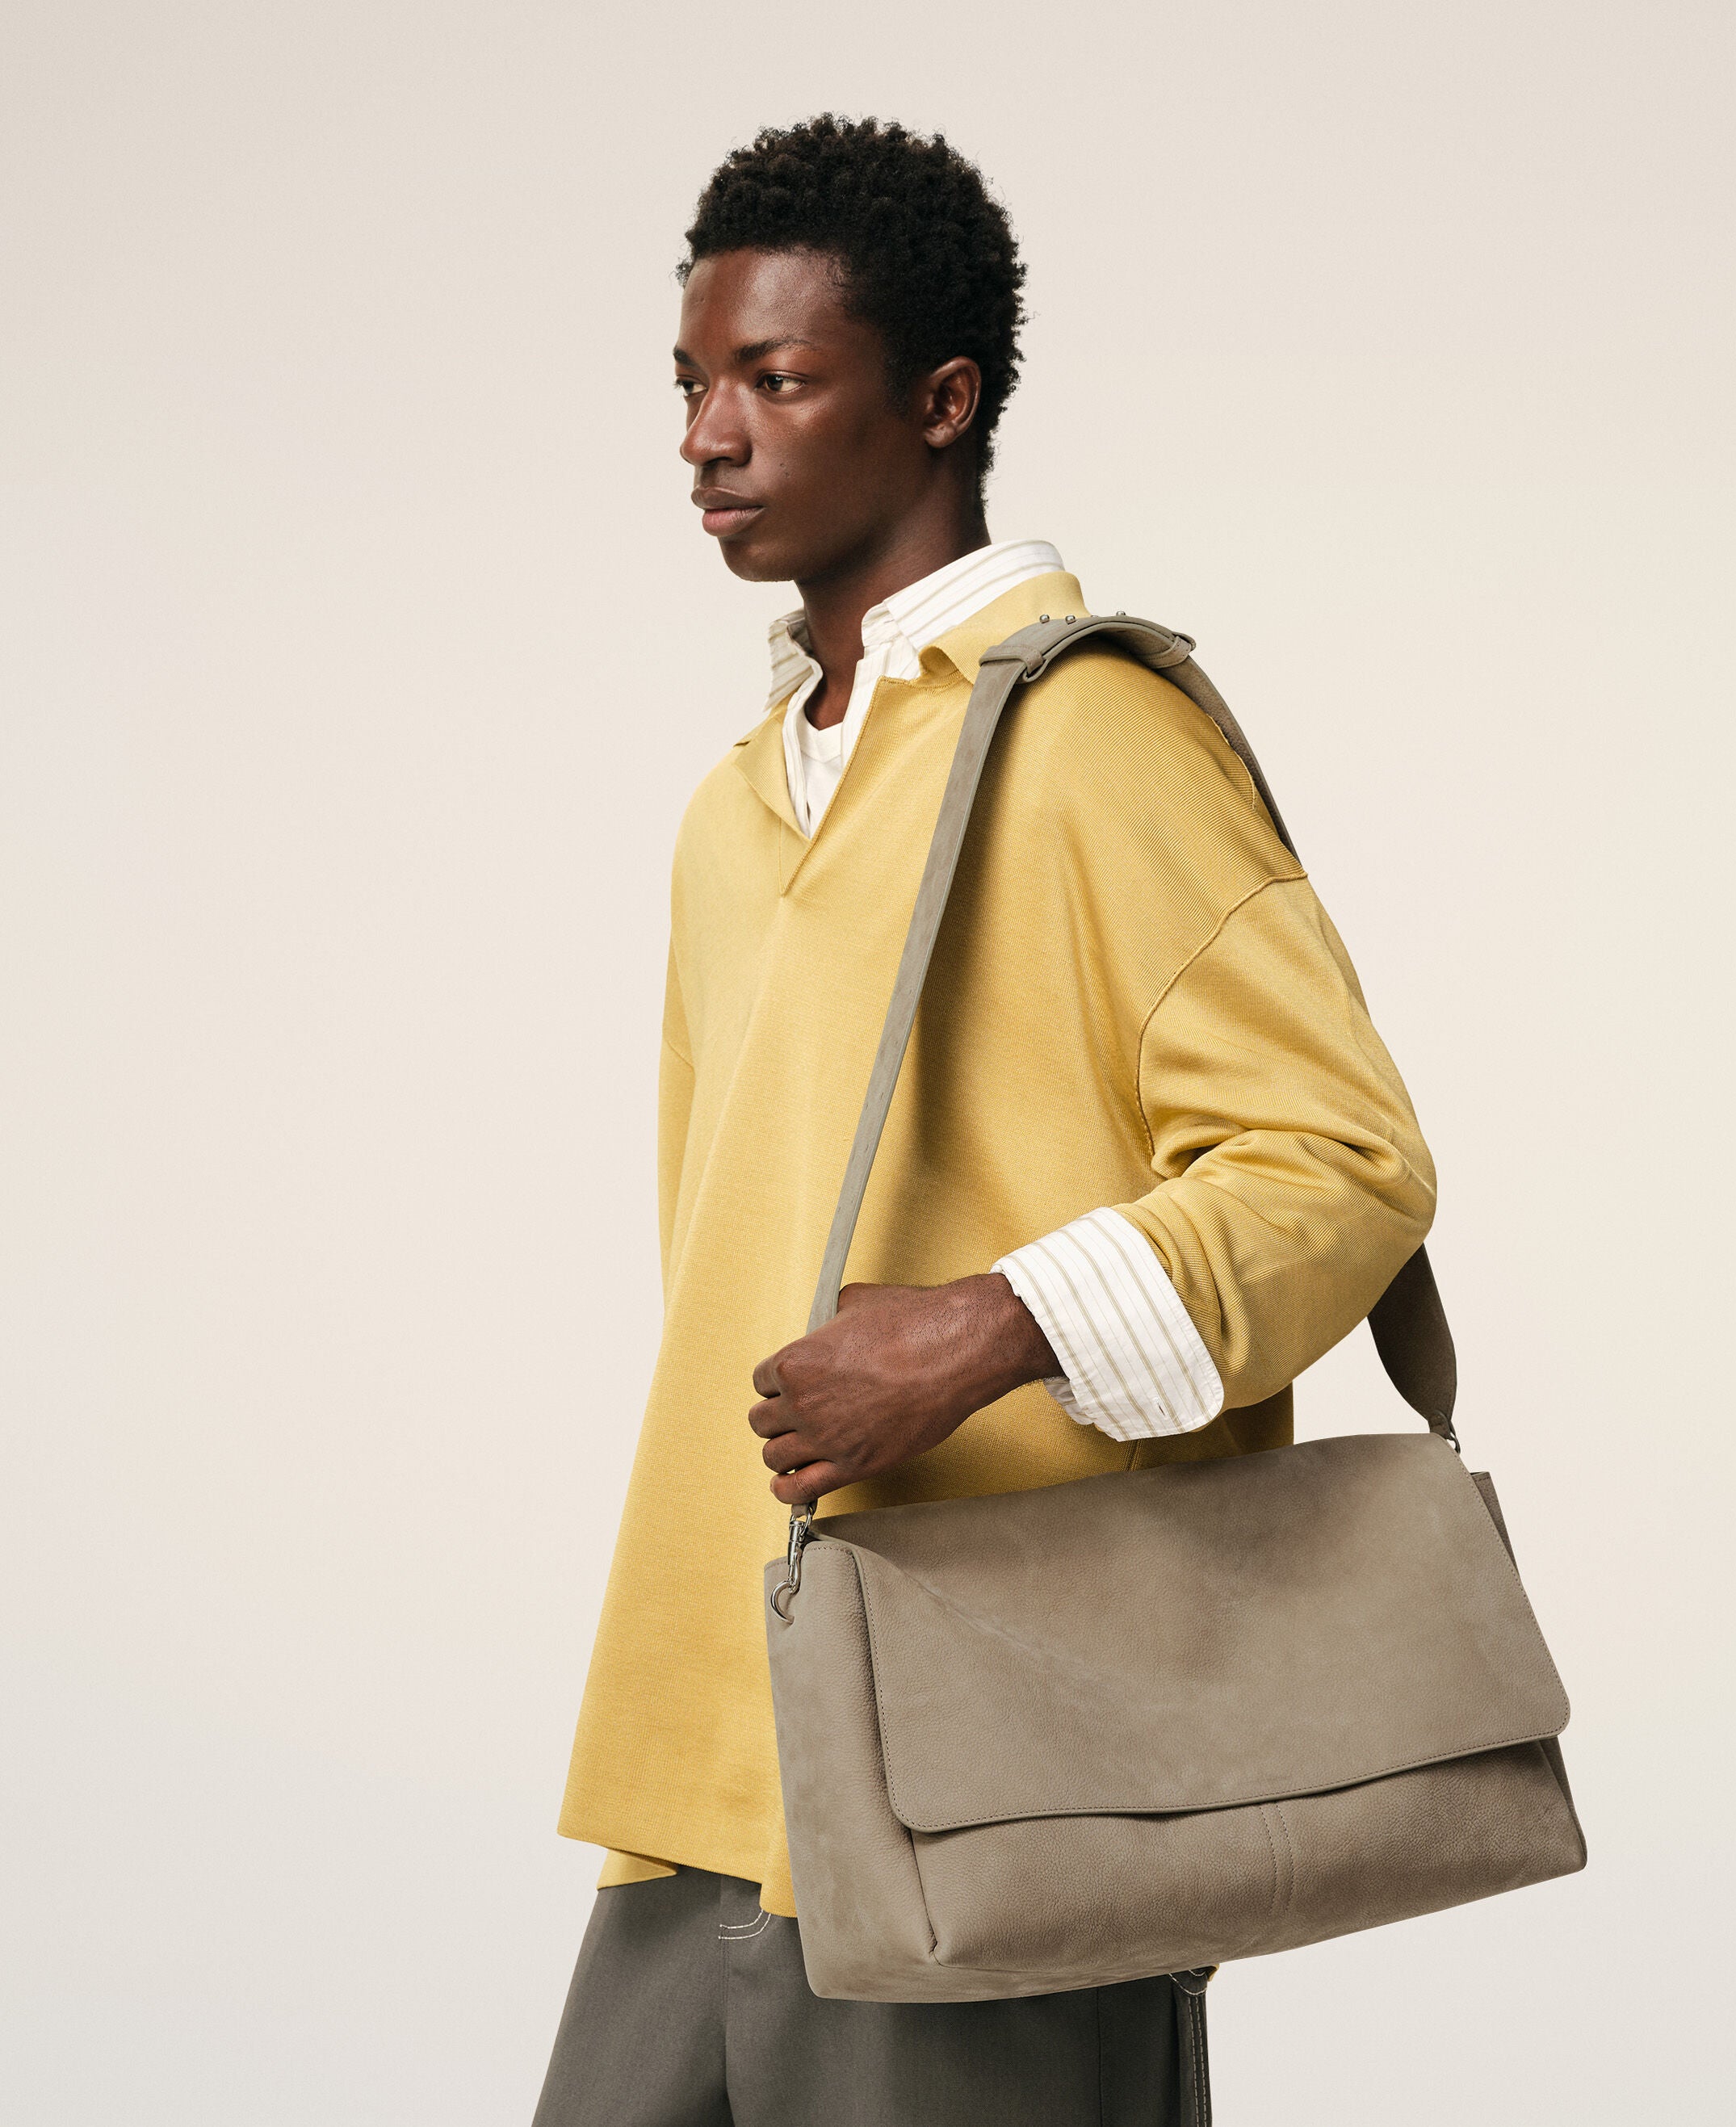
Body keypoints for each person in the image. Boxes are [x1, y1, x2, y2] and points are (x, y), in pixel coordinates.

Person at [533, 115, 1436, 2126]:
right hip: (715, 1730)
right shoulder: (733, 807)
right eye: (691, 382)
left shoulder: (1095, 738)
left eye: (774, 379)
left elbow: (1345, 1168)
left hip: (1006, 1752)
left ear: (941, 403)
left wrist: (989, 1329)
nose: (705, 437)